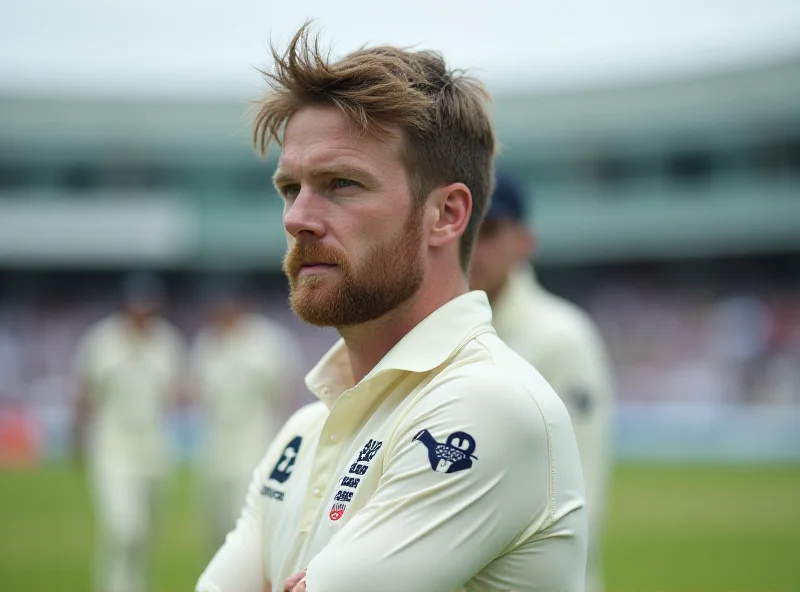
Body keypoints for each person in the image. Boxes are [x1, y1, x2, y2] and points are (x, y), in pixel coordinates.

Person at [196, 25, 587, 592]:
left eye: (341, 183)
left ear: (447, 214)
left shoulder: (488, 402)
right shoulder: (305, 431)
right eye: (289, 188)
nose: (296, 217)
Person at [470, 172, 615, 592]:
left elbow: (581, 493)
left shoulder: (561, 336)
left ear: (523, 242)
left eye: (490, 231)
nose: (474, 248)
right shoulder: (445, 330)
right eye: (467, 230)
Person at [72, 272, 186, 592]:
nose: (143, 313)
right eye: (137, 305)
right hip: (113, 447)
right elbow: (84, 396)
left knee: (146, 533)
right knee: (124, 529)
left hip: (156, 450)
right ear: (124, 305)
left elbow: (176, 396)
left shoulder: (168, 341)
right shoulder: (102, 341)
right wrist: (77, 442)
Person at [189, 275, 305, 554]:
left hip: (256, 444)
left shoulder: (269, 341)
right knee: (216, 529)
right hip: (215, 448)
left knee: (243, 522)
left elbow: (287, 394)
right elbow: (195, 394)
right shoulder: (206, 343)